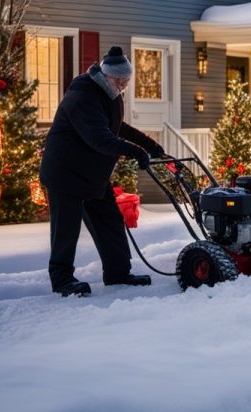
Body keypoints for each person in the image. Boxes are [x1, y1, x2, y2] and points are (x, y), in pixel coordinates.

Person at [40, 46, 165, 296]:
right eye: (120, 81)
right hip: (66, 173)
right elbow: (99, 137)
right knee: (66, 229)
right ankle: (62, 280)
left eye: (126, 81)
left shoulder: (109, 93)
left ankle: (118, 273)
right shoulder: (83, 96)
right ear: (106, 75)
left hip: (91, 175)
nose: (123, 86)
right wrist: (135, 152)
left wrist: (149, 145)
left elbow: (117, 126)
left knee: (110, 221)